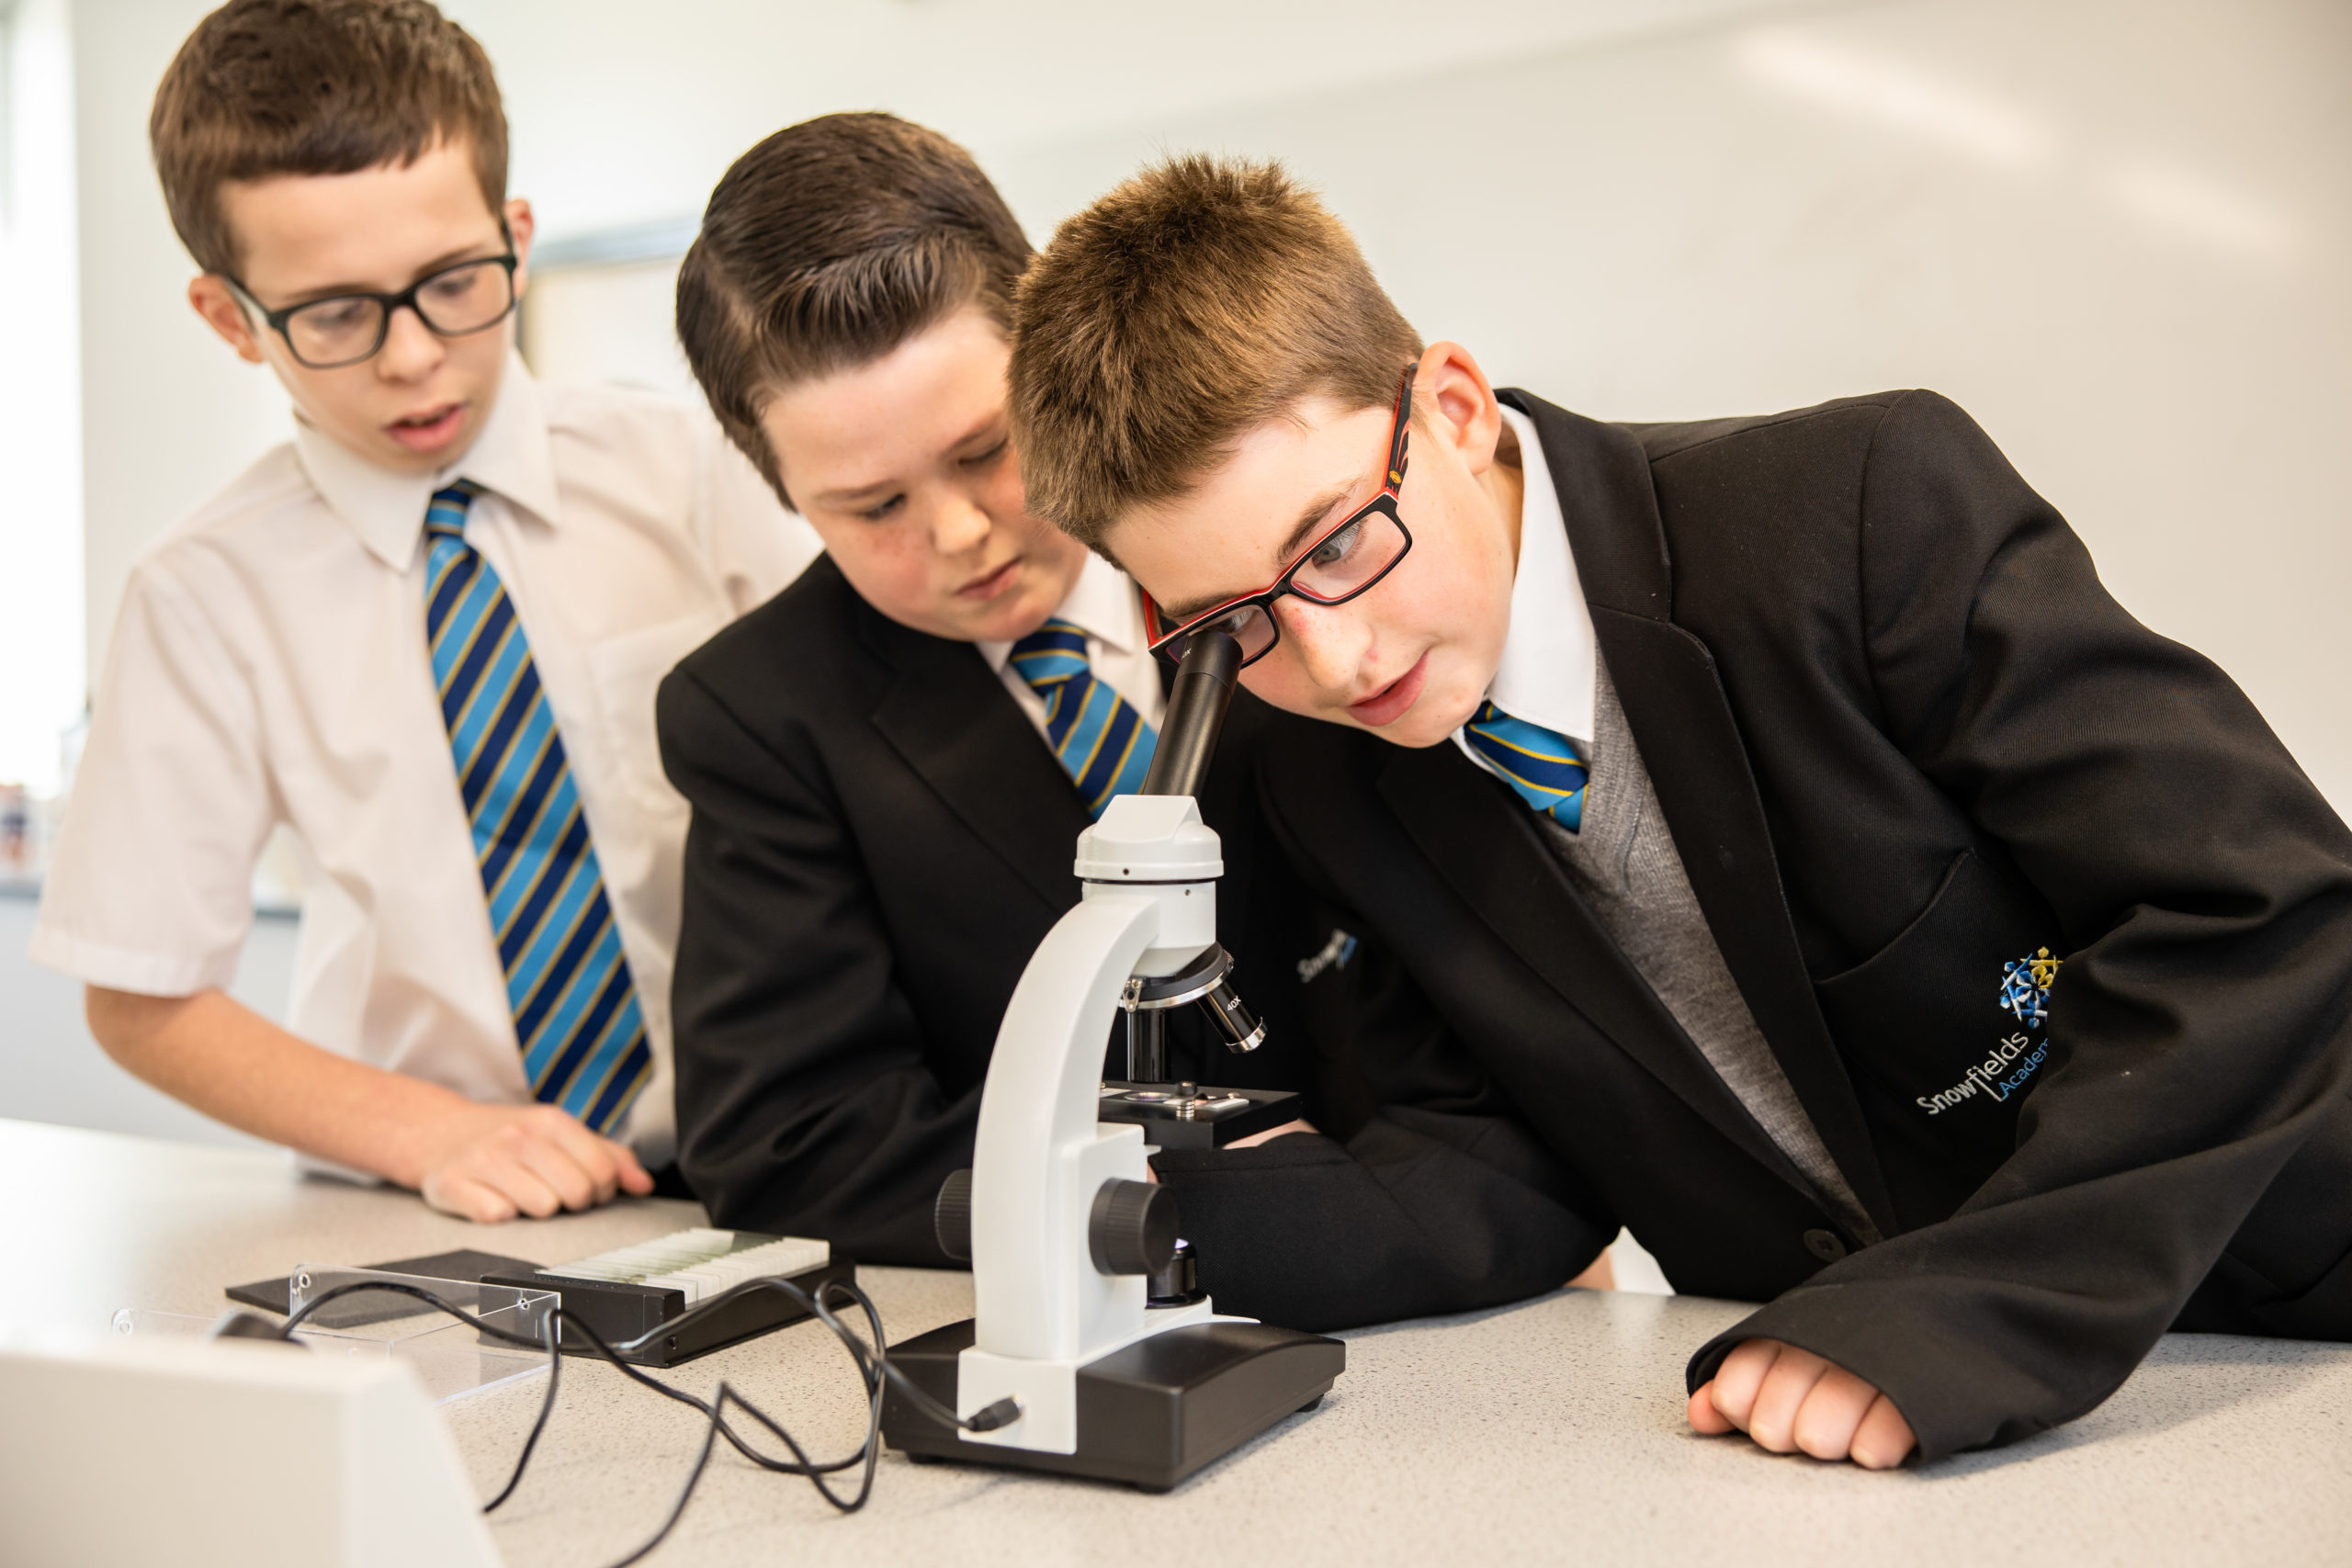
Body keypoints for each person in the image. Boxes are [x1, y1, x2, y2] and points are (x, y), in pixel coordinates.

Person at [1001, 155, 2352, 1468]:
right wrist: (1113, 1220)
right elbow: (1502, 1162)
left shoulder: (1859, 510)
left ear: (1455, 407)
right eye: (1237, 618)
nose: (1338, 657)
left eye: (1342, 541)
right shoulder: (1310, 768)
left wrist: (1957, 1311)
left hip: (2277, 1334)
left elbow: (2258, 909)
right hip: (1838, 1435)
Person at [31, 0, 815, 1223]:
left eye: (453, 282)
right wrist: (431, 1131)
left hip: (762, 1154)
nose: (411, 358)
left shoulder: (690, 468)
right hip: (430, 1196)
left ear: (514, 235)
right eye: (335, 313)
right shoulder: (201, 594)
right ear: (230, 317)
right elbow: (141, 993)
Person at [655, 115, 1377, 1268]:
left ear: (1045, 350)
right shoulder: (762, 714)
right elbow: (785, 1140)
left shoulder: (1273, 532)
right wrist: (1157, 1187)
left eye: (986, 448)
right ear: (782, 490)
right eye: (873, 507)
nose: (957, 533)